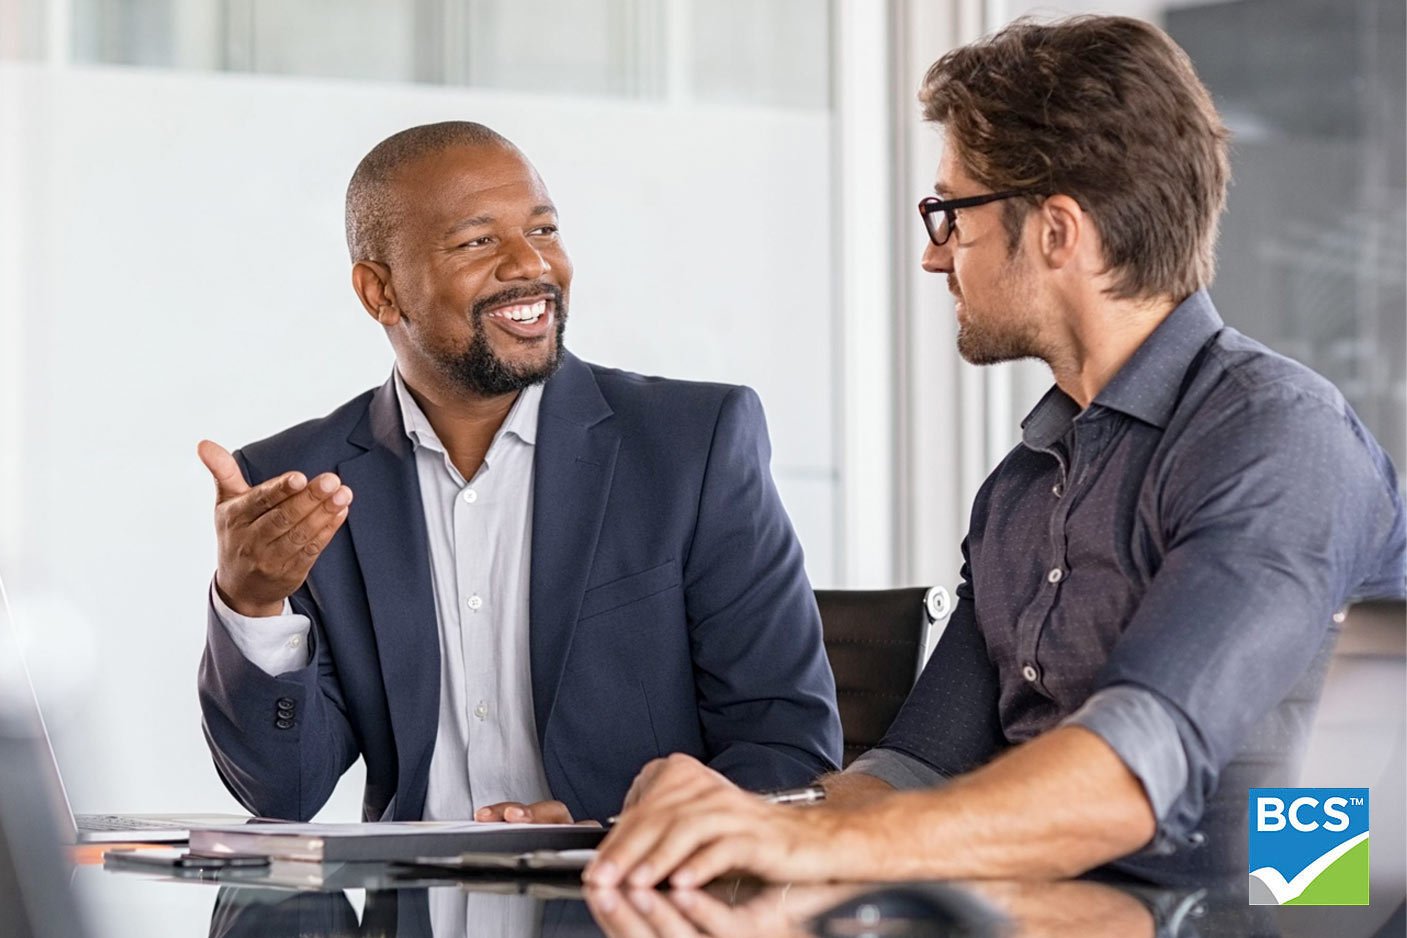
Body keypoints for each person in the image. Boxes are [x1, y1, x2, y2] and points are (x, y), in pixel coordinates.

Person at [585, 15, 1406, 889]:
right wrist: (734, 823)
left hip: (1276, 900)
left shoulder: (1275, 438)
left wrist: (816, 850)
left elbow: (1136, 770)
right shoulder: (1021, 488)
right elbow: (911, 771)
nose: (936, 257)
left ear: (1057, 231)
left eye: (951, 213)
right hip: (1064, 899)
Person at [196, 122, 841, 825]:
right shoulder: (301, 484)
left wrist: (615, 836)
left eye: (542, 230)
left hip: (629, 909)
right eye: (478, 242)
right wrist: (251, 605)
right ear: (380, 293)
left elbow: (786, 749)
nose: (529, 264)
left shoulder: (692, 446)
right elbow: (283, 794)